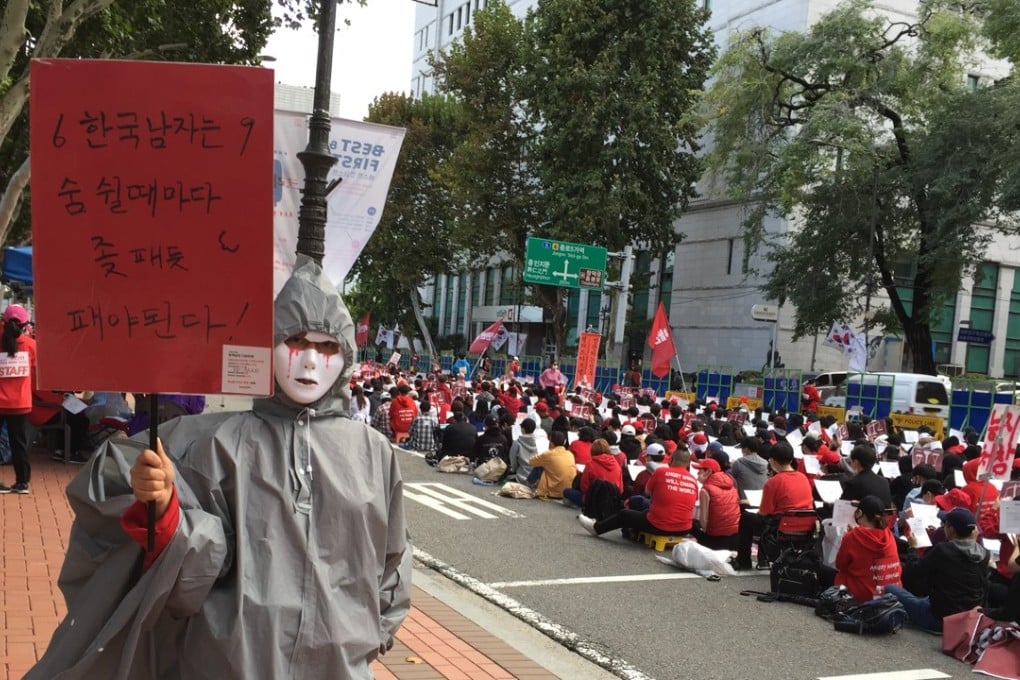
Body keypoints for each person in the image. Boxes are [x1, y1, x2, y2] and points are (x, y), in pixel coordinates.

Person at [28, 256, 412, 678]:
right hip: (230, 664)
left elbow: (393, 558)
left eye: (327, 347)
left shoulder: (374, 453)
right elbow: (191, 562)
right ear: (269, 346)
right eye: (296, 342)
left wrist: (369, 635)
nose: (309, 363)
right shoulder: (210, 445)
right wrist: (163, 509)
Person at [886, 507, 990, 632]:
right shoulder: (984, 554)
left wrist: (912, 548)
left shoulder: (944, 550)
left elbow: (911, 573)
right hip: (966, 619)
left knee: (889, 588)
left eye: (944, 524)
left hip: (937, 618)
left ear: (951, 529)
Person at [578, 446, 699, 539]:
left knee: (625, 514)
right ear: (688, 463)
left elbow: (647, 492)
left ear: (671, 460)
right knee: (646, 511)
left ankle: (596, 528)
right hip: (684, 528)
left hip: (659, 525)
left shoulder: (661, 472)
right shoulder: (693, 480)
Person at [734, 440, 816, 570]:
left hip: (781, 526)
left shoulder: (773, 482)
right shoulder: (803, 478)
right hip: (805, 525)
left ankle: (743, 561)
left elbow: (764, 512)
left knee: (746, 518)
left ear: (772, 461)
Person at [833, 495, 902, 603]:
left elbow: (840, 564)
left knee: (841, 574)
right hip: (891, 594)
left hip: (864, 595)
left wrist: (849, 537)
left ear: (859, 513)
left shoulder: (853, 536)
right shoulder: (888, 534)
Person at [0, 304, 35, 494]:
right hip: (20, 404)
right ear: (24, 325)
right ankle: (22, 483)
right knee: (19, 443)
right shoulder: (31, 346)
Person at [692, 457, 741, 551]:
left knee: (691, 523)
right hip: (735, 539)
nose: (698, 473)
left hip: (715, 541)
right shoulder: (731, 485)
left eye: (700, 470)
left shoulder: (705, 490)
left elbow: (704, 521)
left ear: (708, 472)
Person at [563, 438, 623, 508]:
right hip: (611, 501)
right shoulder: (617, 465)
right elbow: (621, 489)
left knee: (567, 491)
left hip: (593, 501)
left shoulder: (591, 464)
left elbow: (584, 487)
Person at [839, 444, 892, 509]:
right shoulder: (884, 481)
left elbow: (841, 507)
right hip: (885, 518)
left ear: (856, 462)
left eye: (851, 461)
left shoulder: (853, 483)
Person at [529, 430, 577, 499]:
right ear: (564, 442)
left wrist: (543, 454)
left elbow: (531, 462)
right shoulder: (570, 454)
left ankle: (529, 484)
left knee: (539, 465)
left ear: (551, 442)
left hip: (551, 492)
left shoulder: (548, 454)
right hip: (566, 489)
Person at [508, 417, 547, 485]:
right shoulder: (539, 442)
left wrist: (514, 469)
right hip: (536, 477)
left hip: (522, 476)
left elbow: (513, 461)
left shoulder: (517, 443)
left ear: (523, 429)